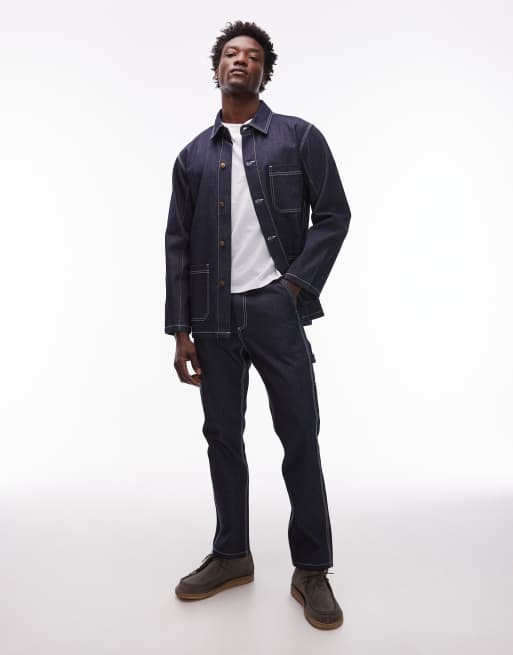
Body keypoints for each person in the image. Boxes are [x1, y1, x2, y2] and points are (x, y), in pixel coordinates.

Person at [165, 20, 351, 630]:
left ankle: (312, 569)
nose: (239, 60)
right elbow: (176, 245)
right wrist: (181, 331)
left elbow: (334, 215)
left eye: (251, 55)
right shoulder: (192, 156)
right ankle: (231, 555)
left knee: (300, 435)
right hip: (212, 319)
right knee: (222, 437)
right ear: (216, 68)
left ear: (264, 72)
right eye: (229, 53)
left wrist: (293, 287)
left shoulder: (299, 137)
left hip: (276, 311)